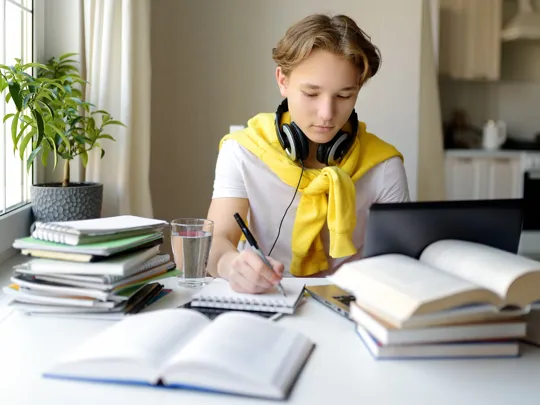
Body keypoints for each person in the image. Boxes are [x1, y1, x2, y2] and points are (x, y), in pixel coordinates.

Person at [206, 13, 410, 294]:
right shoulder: (243, 151)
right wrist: (231, 265)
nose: (327, 114)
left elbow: (397, 263)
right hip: (268, 297)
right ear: (282, 80)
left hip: (351, 304)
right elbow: (217, 239)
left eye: (343, 96)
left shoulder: (384, 165)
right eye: (312, 94)